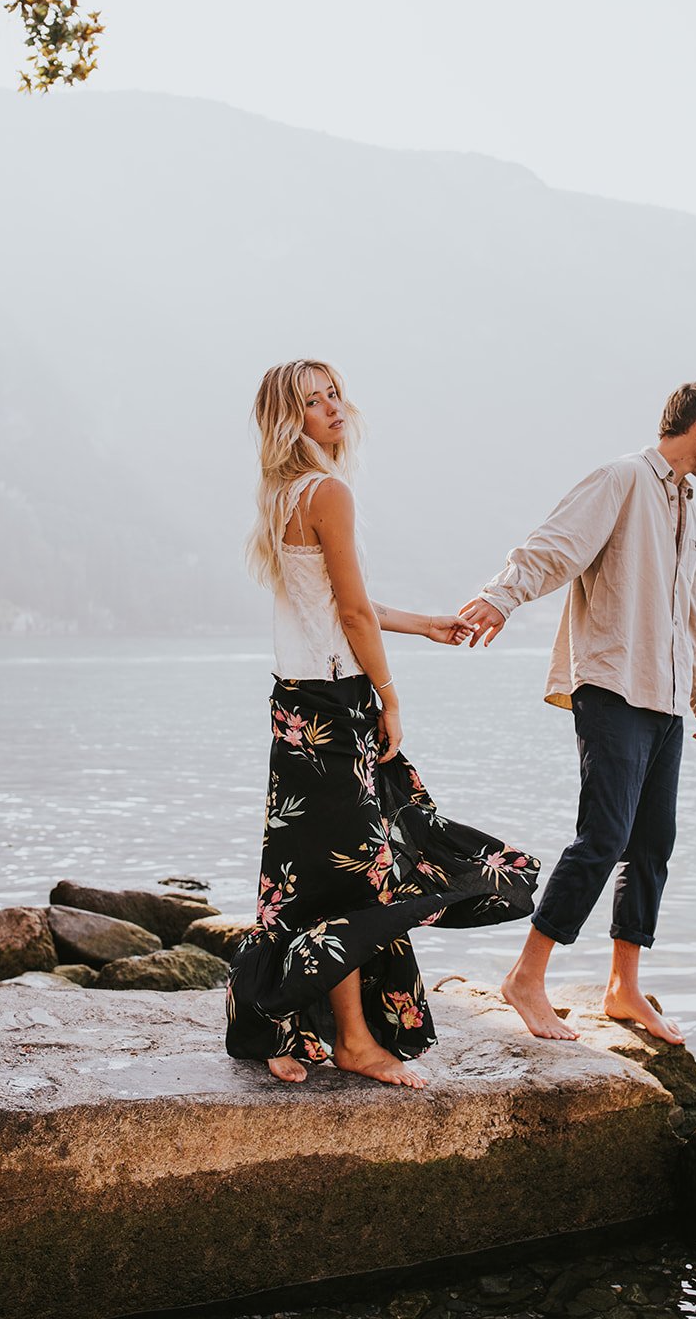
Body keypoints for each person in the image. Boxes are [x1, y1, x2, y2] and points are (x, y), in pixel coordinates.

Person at [225, 359, 540, 1088]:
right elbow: (352, 612)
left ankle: (286, 1027)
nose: (334, 408)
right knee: (358, 881)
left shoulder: (280, 494)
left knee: (302, 881)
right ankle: (355, 1042)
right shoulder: (326, 491)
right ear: (289, 419)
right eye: (314, 401)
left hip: (296, 705)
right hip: (336, 708)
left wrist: (424, 625)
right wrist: (390, 695)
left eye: (334, 393)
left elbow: (343, 605)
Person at [459, 382, 696, 1047]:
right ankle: (526, 978)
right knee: (602, 837)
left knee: (650, 846)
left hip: (666, 698)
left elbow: (687, 607)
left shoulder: (688, 508)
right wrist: (501, 597)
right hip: (612, 683)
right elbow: (555, 544)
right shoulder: (621, 479)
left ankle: (622, 988)